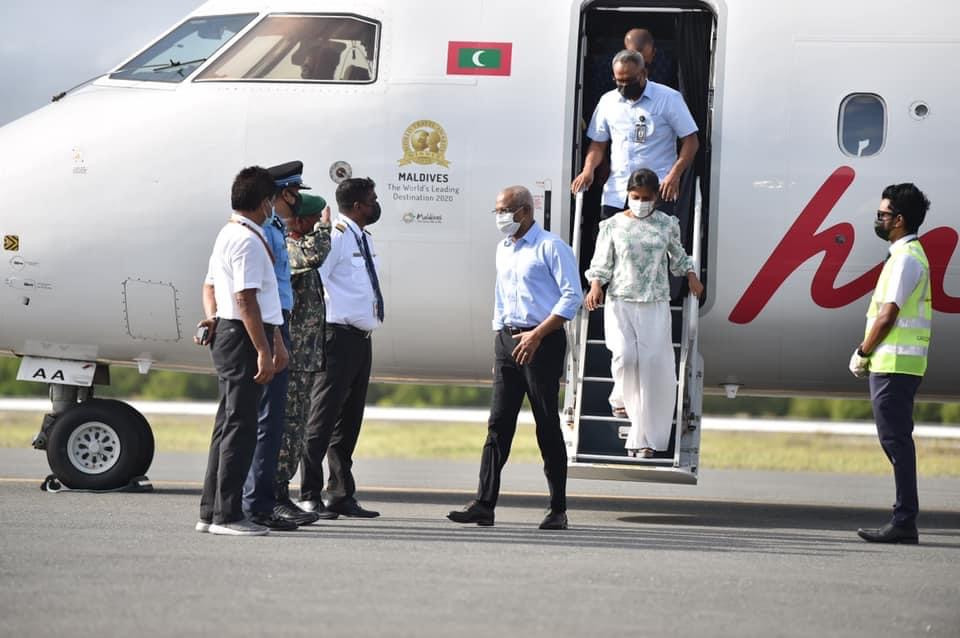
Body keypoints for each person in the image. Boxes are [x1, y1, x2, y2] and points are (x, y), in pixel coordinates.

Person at [447, 186, 583, 530]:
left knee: (546, 423)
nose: (499, 217)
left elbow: (572, 297)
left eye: (504, 210)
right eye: (496, 211)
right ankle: (484, 503)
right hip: (509, 340)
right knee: (498, 424)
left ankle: (558, 508)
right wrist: (500, 344)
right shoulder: (503, 249)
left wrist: (537, 335)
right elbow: (502, 297)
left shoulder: (551, 246)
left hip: (543, 339)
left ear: (524, 211)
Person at [584, 169, 704, 457]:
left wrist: (690, 275)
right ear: (627, 195)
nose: (639, 202)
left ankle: (644, 439)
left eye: (646, 198)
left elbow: (678, 256)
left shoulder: (666, 224)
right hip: (620, 300)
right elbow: (602, 260)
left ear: (656, 199)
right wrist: (595, 286)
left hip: (654, 301)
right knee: (625, 357)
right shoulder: (612, 225)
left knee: (652, 367)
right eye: (634, 197)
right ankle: (620, 396)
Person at [194, 166, 287, 536]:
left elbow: (212, 287)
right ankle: (228, 516)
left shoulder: (231, 233)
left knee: (228, 425)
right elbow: (246, 299)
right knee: (240, 427)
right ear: (265, 202)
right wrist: (263, 350)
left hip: (237, 331)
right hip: (244, 334)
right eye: (273, 201)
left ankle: (212, 510)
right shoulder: (248, 240)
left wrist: (272, 340)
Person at [850, 183, 932, 545]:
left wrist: (863, 351)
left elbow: (888, 315)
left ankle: (904, 520)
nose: (878, 219)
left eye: (883, 214)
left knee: (896, 442)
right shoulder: (905, 255)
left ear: (899, 220)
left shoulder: (906, 259)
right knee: (896, 441)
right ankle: (904, 518)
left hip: (895, 363)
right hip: (896, 363)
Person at [298, 177, 384, 519]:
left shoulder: (362, 237)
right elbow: (315, 280)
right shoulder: (335, 236)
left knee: (348, 422)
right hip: (336, 337)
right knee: (321, 420)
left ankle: (340, 493)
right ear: (359, 206)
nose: (377, 205)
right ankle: (308, 494)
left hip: (360, 339)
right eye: (373, 199)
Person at [239, 161, 308, 531]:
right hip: (270, 322)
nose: (297, 200)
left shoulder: (276, 229)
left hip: (278, 320)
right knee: (266, 421)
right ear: (280, 194)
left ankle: (260, 501)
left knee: (272, 421)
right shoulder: (263, 232)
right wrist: (274, 339)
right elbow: (256, 291)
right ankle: (257, 505)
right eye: (294, 193)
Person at [571, 49, 699, 219]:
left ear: (644, 73)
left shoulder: (669, 98)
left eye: (630, 80)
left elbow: (691, 141)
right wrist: (588, 170)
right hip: (617, 192)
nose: (624, 86)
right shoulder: (608, 101)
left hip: (658, 190)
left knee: (654, 244)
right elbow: (598, 144)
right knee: (612, 243)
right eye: (619, 81)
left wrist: (674, 175)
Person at [272, 193, 337, 524]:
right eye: (311, 220)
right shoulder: (288, 246)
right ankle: (275, 495)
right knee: (286, 427)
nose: (315, 225)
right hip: (292, 355)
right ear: (297, 221)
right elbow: (313, 255)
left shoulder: (298, 244)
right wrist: (325, 229)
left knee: (296, 427)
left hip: (305, 355)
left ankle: (281, 493)